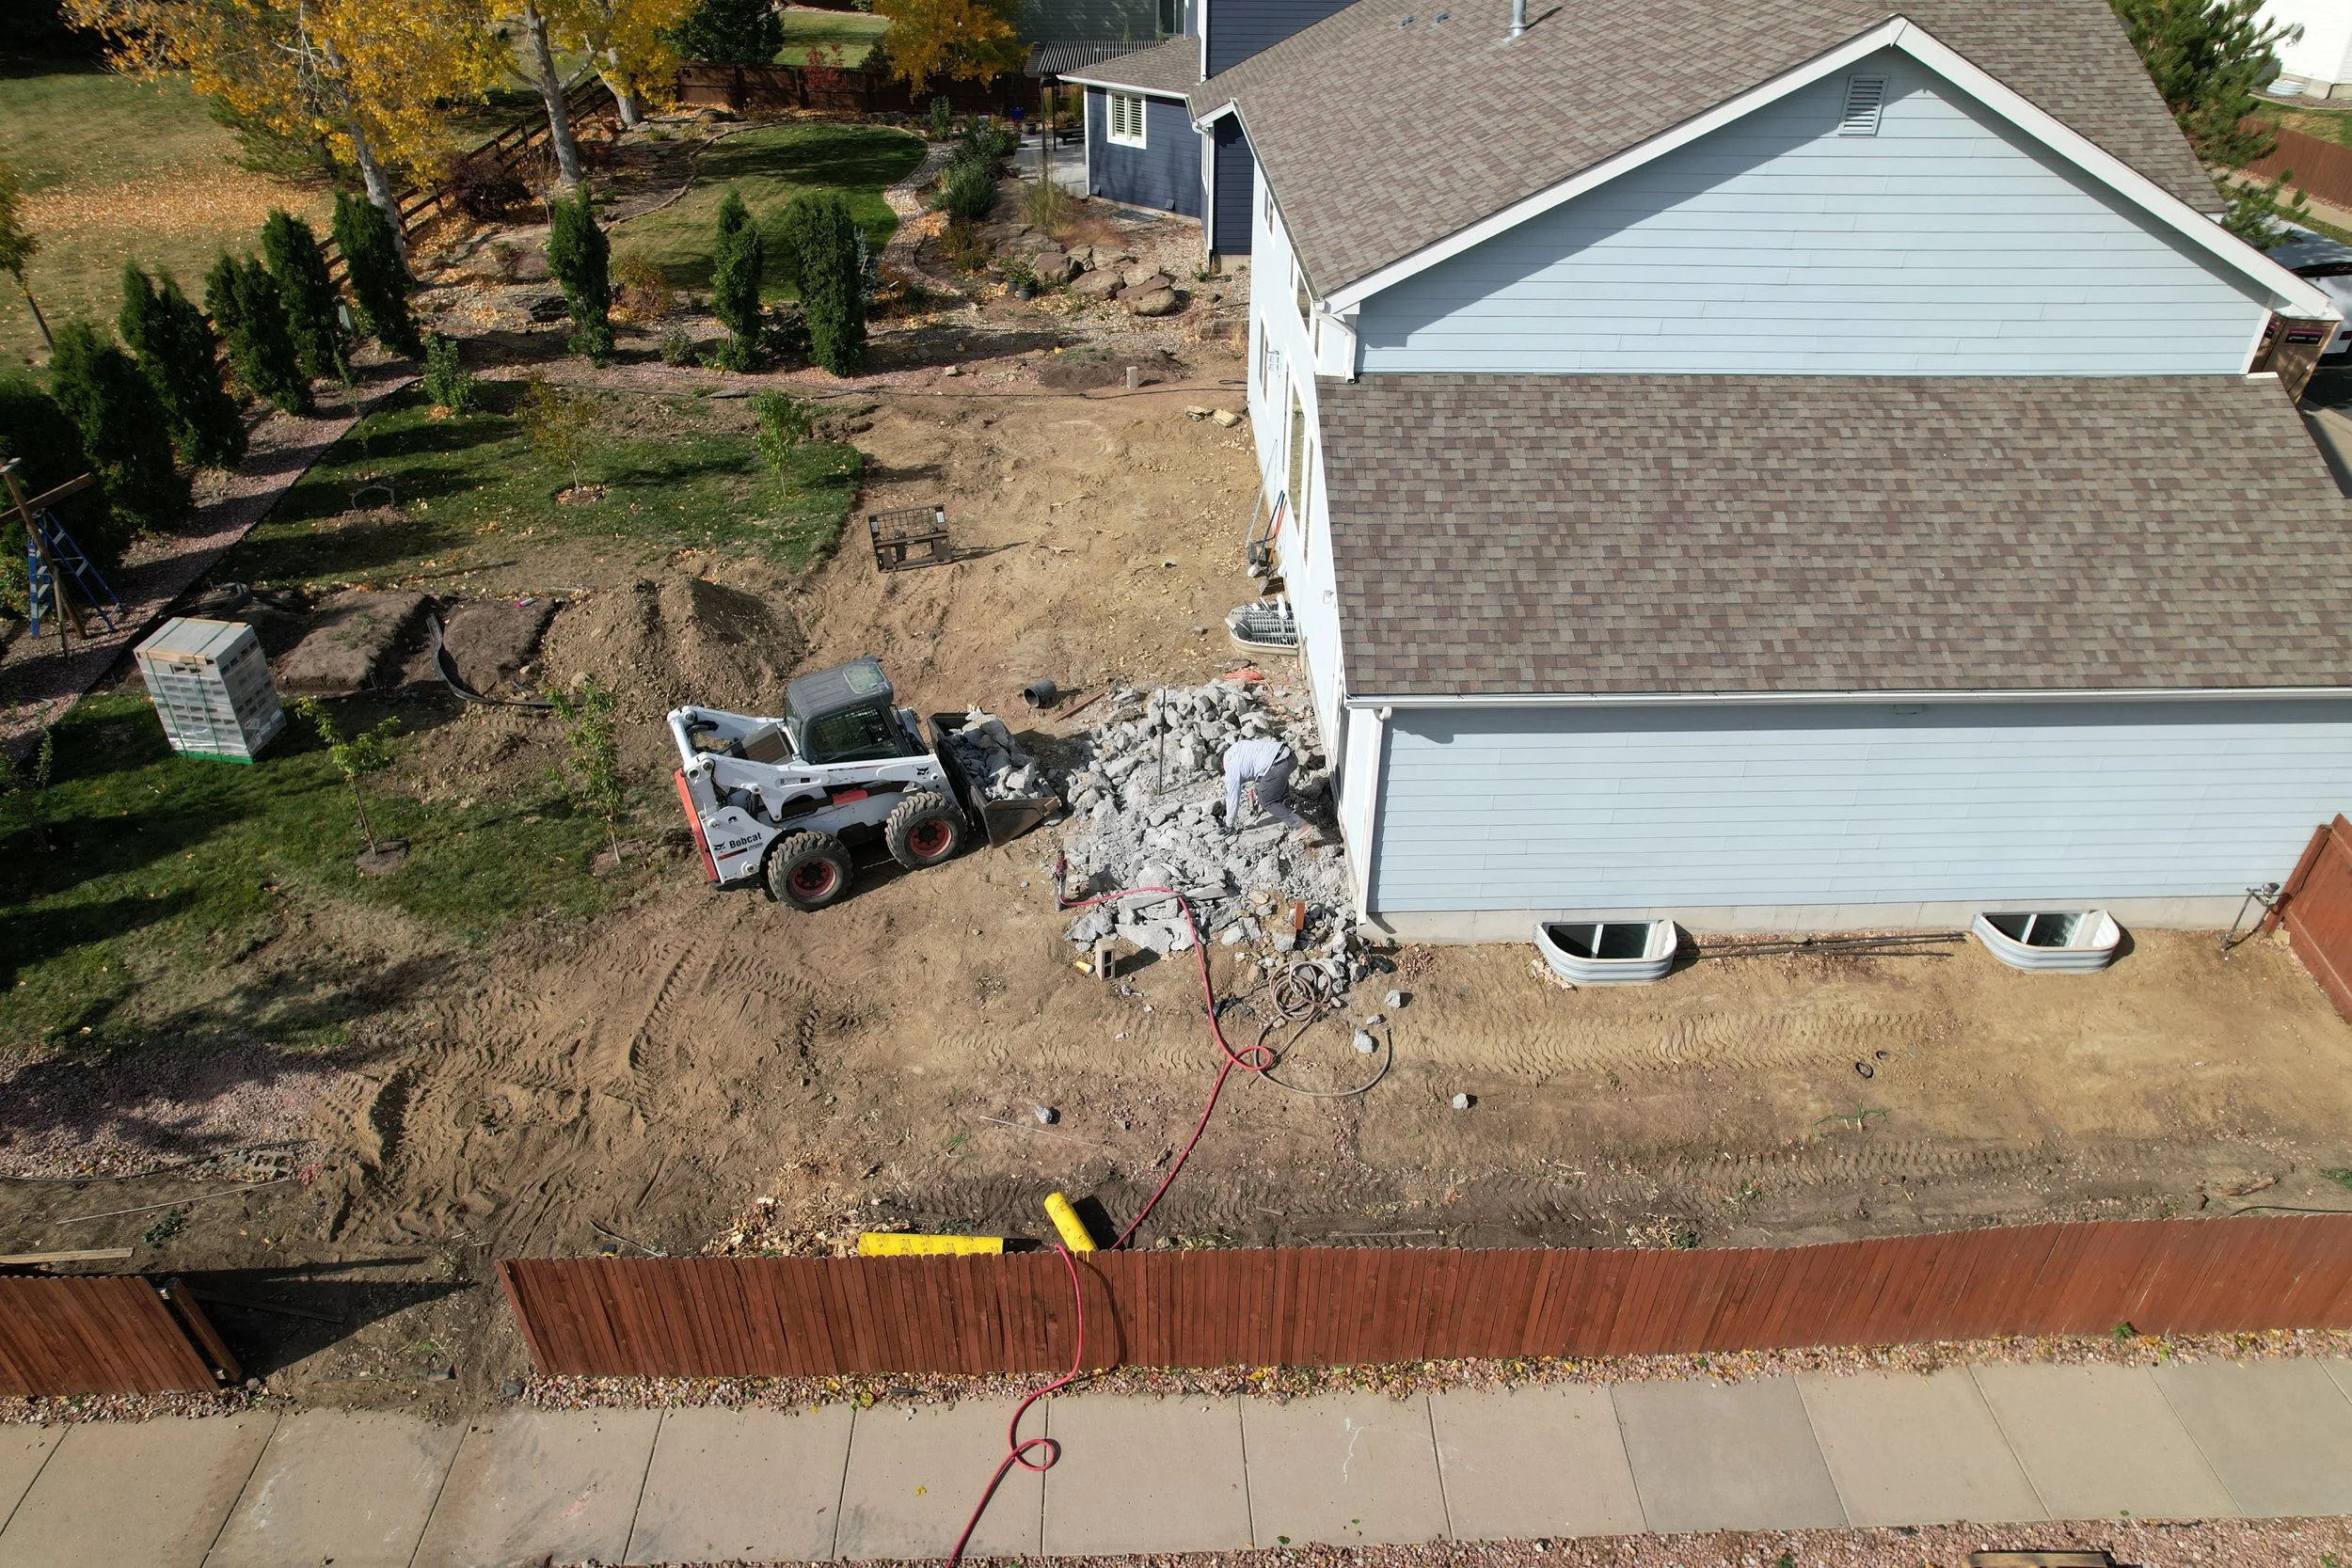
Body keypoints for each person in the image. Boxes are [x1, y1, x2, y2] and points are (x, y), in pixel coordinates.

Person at [1222, 736, 1308, 832]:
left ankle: (1300, 825)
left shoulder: (1230, 768)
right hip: (1289, 755)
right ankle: (1286, 811)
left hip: (1278, 765)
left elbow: (1233, 798)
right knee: (1273, 783)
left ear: (1221, 766)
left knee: (1266, 801)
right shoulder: (1236, 747)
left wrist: (1229, 825)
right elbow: (1257, 761)